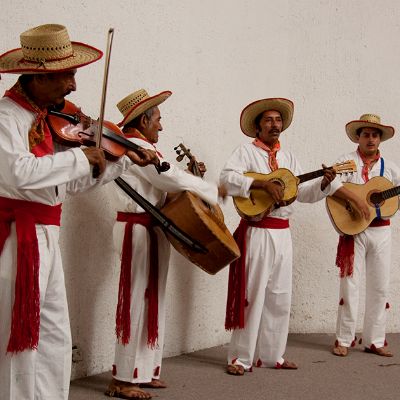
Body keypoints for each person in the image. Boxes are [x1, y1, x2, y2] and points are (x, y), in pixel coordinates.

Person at [0, 24, 156, 400]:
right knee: (19, 337)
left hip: (48, 235)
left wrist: (120, 162)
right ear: (40, 77)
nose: (72, 86)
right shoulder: (7, 117)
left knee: (54, 334)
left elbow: (67, 184)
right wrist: (78, 157)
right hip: (18, 237)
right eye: (67, 76)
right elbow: (17, 173)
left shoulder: (50, 120)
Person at [219, 97, 368, 376]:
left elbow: (302, 193)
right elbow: (227, 179)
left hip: (283, 235)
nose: (275, 125)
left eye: (278, 120)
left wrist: (324, 183)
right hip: (257, 233)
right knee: (251, 296)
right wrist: (262, 182)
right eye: (268, 120)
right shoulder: (245, 152)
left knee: (280, 296)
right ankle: (240, 358)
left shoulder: (289, 159)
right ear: (257, 125)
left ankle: (272, 355)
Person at [105, 89, 221, 399]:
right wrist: (209, 190)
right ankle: (122, 378)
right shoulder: (135, 147)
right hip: (135, 230)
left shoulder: (144, 147)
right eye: (158, 119)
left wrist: (192, 179)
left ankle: (143, 371)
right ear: (143, 120)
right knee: (134, 301)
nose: (161, 126)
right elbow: (168, 180)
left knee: (151, 298)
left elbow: (169, 179)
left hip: (151, 228)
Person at [331, 114, 400, 358]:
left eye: (375, 135)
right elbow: (331, 185)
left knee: (380, 287)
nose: (370, 139)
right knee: (350, 286)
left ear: (380, 139)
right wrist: (356, 199)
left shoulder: (391, 168)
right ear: (358, 137)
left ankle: (375, 339)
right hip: (354, 230)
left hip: (382, 230)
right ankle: (344, 338)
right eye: (366, 134)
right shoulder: (347, 161)